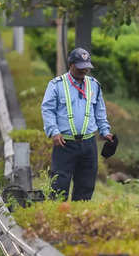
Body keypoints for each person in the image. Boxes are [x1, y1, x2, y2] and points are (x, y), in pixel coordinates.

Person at [41, 47, 113, 201]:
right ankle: (58, 219)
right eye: (80, 67)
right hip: (64, 144)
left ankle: (79, 219)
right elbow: (47, 109)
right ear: (71, 64)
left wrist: (105, 131)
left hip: (88, 144)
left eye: (86, 66)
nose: (84, 70)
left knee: (86, 187)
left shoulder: (94, 85)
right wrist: (54, 131)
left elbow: (100, 111)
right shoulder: (56, 85)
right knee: (59, 187)